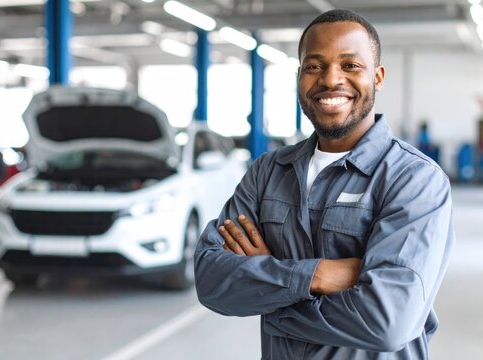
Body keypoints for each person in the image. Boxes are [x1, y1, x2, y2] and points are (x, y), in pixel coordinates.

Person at [194, 9, 454, 359]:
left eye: (350, 65)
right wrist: (318, 274)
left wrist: (271, 298)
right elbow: (211, 281)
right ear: (300, 75)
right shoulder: (268, 171)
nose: (331, 80)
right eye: (314, 66)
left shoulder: (413, 179)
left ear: (377, 77)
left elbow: (386, 321)